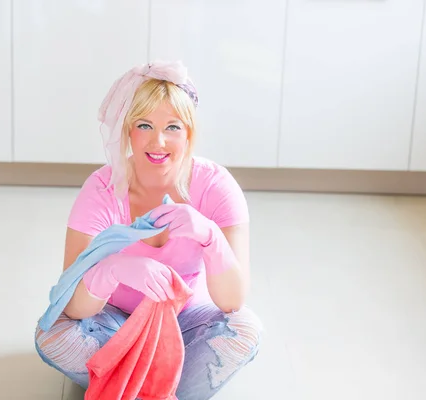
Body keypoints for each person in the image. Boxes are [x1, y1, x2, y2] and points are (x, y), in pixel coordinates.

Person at [35, 61, 263, 399]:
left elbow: (232, 300)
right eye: (145, 125)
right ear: (128, 131)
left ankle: (132, 385)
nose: (158, 142)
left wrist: (212, 239)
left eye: (173, 127)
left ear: (190, 133)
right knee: (52, 334)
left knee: (245, 329)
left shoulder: (217, 188)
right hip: (112, 324)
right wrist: (111, 270)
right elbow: (70, 305)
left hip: (186, 323)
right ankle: (165, 387)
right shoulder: (101, 190)